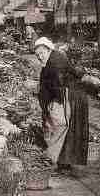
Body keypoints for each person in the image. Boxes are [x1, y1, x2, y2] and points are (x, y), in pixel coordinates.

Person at [34, 37, 89, 173]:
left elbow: (56, 86)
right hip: (72, 95)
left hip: (67, 97)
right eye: (37, 55)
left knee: (60, 127)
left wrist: (51, 105)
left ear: (48, 50)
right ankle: (64, 163)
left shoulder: (53, 64)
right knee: (69, 130)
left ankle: (54, 161)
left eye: (41, 53)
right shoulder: (55, 57)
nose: (39, 57)